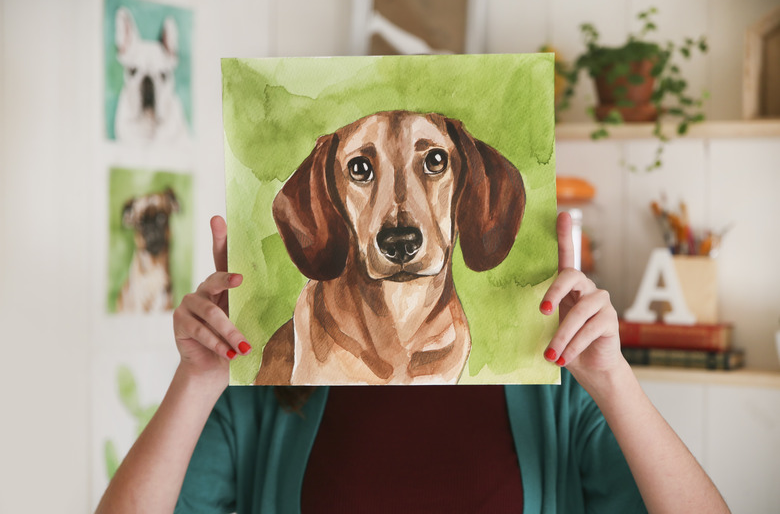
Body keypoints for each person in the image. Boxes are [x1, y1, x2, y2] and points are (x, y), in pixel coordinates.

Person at [95, 212, 730, 514]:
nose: (399, 222)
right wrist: (198, 379)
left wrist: (614, 381)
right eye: (364, 175)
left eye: (431, 169)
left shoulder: (554, 386)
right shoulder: (268, 384)